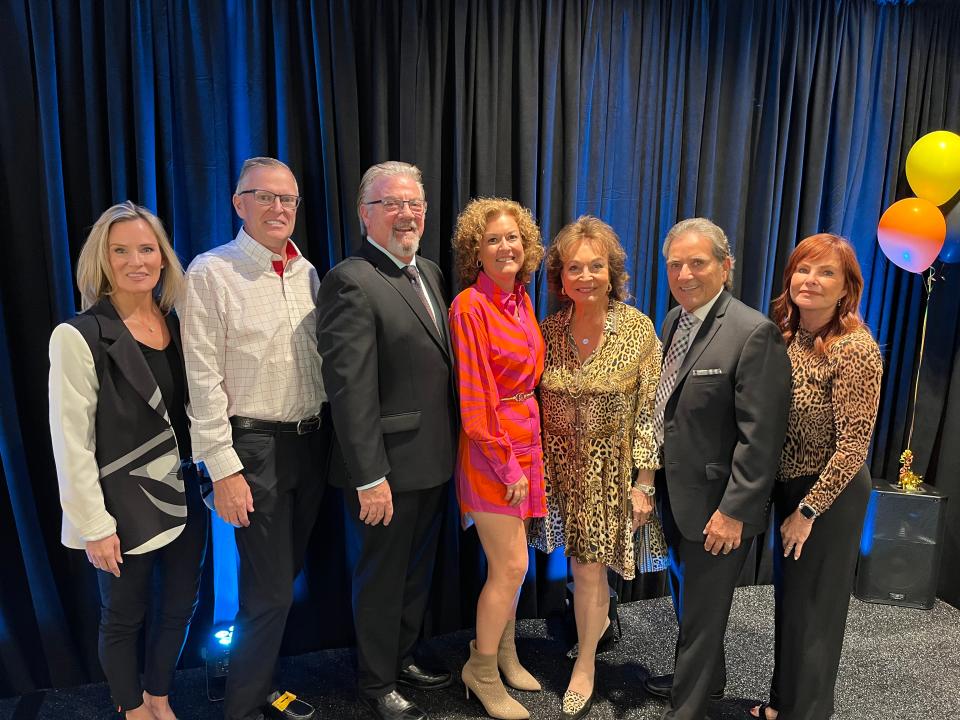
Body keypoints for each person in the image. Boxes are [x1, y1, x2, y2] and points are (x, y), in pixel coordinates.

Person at [180, 157, 329, 720]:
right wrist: (223, 468)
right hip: (253, 448)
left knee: (279, 582)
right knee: (270, 594)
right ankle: (241, 708)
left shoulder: (308, 272)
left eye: (287, 198)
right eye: (262, 196)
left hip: (310, 444)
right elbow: (201, 378)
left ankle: (261, 683)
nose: (277, 208)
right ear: (238, 204)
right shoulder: (210, 272)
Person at [49, 202, 207, 720]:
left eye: (147, 249)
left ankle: (159, 697)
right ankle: (131, 708)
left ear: (163, 259)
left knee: (180, 606)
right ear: (103, 260)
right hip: (122, 503)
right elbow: (70, 442)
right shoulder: (80, 334)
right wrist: (92, 524)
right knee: (123, 616)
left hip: (186, 492)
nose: (136, 260)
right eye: (121, 250)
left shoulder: (178, 323)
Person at [317, 161, 458, 720]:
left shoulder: (429, 271)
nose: (406, 214)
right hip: (385, 471)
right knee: (380, 579)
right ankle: (376, 683)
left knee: (415, 573)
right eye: (391, 204)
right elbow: (349, 390)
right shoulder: (351, 279)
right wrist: (369, 476)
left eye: (414, 204)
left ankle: (401, 657)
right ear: (365, 214)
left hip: (432, 461)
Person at [642, 217, 791, 720]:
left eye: (697, 262)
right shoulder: (672, 322)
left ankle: (687, 709)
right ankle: (708, 683)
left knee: (704, 617)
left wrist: (734, 512)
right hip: (678, 498)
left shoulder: (754, 332)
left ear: (725, 267)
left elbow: (762, 438)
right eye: (675, 264)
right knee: (690, 603)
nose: (684, 274)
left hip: (719, 507)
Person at [530, 215, 661, 720]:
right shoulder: (548, 330)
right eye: (574, 268)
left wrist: (644, 482)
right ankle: (594, 628)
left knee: (588, 569)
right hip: (556, 471)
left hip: (610, 474)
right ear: (561, 279)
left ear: (613, 272)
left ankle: (584, 663)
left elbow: (650, 412)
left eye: (596, 266)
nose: (585, 277)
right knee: (578, 567)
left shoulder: (638, 329)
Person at [751, 234, 883, 720]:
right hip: (791, 488)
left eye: (827, 273)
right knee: (792, 604)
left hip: (828, 497)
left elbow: (853, 448)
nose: (811, 280)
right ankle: (783, 705)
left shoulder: (856, 351)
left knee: (816, 614)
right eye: (804, 269)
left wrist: (807, 511)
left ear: (847, 288)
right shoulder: (788, 336)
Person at [448, 198, 546, 720]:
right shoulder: (470, 307)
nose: (505, 247)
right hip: (492, 453)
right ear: (475, 252)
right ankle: (480, 669)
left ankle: (505, 653)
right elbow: (474, 404)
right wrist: (508, 466)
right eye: (492, 240)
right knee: (510, 567)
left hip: (526, 444)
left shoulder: (521, 299)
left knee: (512, 569)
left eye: (512, 237)